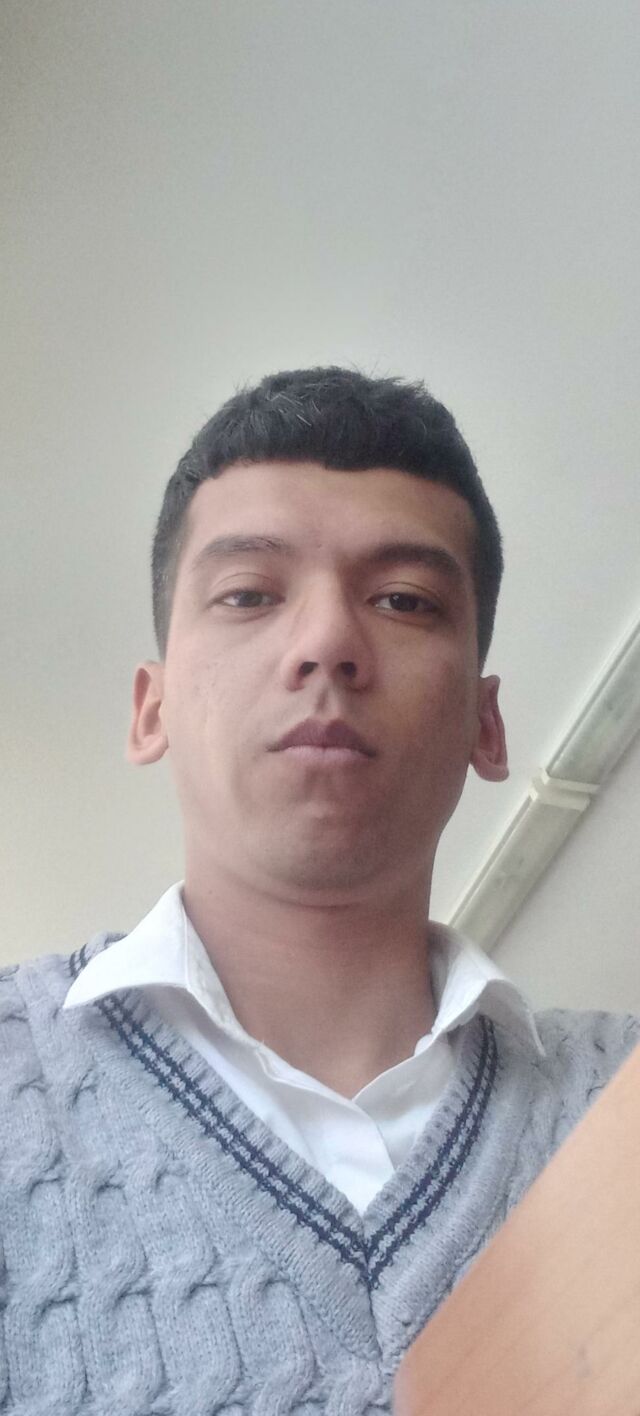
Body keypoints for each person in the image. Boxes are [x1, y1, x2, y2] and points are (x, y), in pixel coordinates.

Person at [2, 366, 637, 1414]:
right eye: (249, 594)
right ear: (151, 711)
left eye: (404, 601)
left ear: (486, 726)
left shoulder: (624, 1101)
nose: (328, 642)